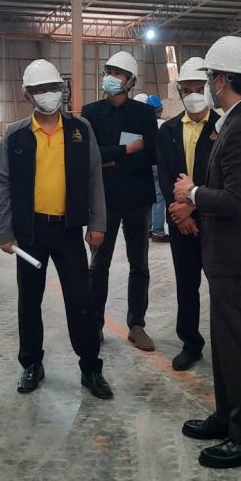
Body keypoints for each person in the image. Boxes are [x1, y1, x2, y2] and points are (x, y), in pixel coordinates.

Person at [173, 36, 241, 470]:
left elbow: (236, 199)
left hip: (239, 257)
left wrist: (192, 192)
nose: (209, 84)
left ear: (223, 80)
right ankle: (227, 418)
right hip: (228, 255)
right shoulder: (235, 120)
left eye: (211, 77)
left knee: (240, 349)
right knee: (226, 345)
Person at [0, 59, 113, 399]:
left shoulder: (80, 130)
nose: (48, 95)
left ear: (62, 90)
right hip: (29, 233)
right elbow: (2, 182)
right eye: (40, 90)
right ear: (27, 95)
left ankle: (90, 367)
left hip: (68, 230)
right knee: (29, 301)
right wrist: (4, 229)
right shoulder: (16, 135)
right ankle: (32, 363)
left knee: (80, 300)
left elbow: (94, 177)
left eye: (53, 88)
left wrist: (98, 222)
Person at [82, 51, 159, 351]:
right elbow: (91, 155)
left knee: (139, 264)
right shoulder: (91, 113)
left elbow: (151, 155)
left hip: (138, 199)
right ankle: (94, 324)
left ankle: (136, 325)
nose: (111, 78)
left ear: (131, 81)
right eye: (108, 72)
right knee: (98, 264)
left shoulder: (144, 114)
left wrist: (110, 159)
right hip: (104, 200)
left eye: (117, 73)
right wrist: (125, 151)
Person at [156, 59, 219, 371]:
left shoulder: (223, 126)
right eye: (187, 90)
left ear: (209, 90)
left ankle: (224, 344)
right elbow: (166, 176)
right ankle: (190, 343)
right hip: (181, 223)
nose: (193, 95)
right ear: (179, 92)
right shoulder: (168, 130)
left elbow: (223, 179)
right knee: (186, 285)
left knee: (220, 287)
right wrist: (180, 215)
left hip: (215, 221)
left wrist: (193, 206)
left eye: (199, 89)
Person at [146, 94, 169, 242]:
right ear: (160, 109)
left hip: (142, 164)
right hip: (158, 164)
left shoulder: (137, 123)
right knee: (159, 198)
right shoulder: (164, 125)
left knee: (147, 196)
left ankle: (147, 227)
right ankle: (158, 231)